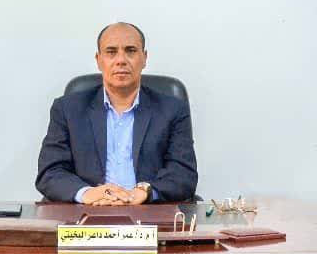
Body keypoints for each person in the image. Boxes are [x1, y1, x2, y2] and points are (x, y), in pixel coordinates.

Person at [35, 22, 197, 204]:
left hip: (147, 210)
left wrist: (145, 192)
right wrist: (87, 193)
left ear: (144, 58)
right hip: (88, 210)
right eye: (111, 52)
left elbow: (184, 174)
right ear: (98, 60)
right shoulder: (67, 109)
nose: (121, 60)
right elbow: (50, 172)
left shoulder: (172, 109)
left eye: (130, 51)